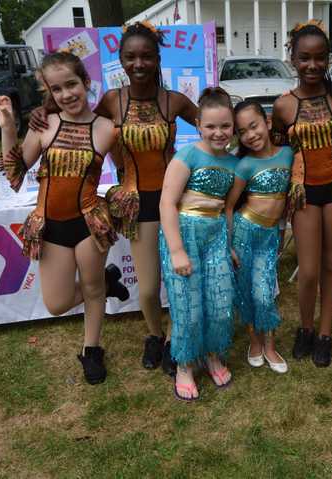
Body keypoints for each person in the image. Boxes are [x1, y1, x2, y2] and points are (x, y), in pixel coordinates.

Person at [30, 21, 199, 375]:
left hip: (176, 202)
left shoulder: (176, 101)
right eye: (130, 57)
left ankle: (174, 341)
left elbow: (217, 127)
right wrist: (44, 110)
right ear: (120, 60)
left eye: (146, 56)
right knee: (150, 290)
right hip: (137, 207)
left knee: (180, 283)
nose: (138, 64)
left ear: (157, 58)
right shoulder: (112, 100)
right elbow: (79, 121)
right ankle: (154, 335)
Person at [0, 51, 120, 384]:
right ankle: (109, 281)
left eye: (72, 85)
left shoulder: (108, 129)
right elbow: (16, 175)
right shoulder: (44, 124)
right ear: (49, 93)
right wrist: (9, 128)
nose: (66, 94)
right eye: (57, 89)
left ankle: (91, 349)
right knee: (57, 303)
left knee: (93, 291)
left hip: (90, 223)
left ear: (86, 83)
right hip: (50, 226)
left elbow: (128, 171)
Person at [271, 20, 332, 367]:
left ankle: (324, 332)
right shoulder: (283, 106)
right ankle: (304, 327)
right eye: (304, 58)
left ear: (328, 59)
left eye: (320, 58)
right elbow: (274, 149)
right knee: (307, 270)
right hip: (304, 193)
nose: (312, 65)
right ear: (292, 58)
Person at [159, 87, 239, 401]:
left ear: (233, 125)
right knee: (188, 307)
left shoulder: (233, 163)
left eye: (225, 126)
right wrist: (177, 249)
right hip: (185, 234)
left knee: (220, 304)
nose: (218, 133)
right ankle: (184, 365)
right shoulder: (188, 155)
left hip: (216, 235)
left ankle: (213, 355)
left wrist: (228, 245)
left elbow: (226, 209)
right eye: (211, 126)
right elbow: (167, 203)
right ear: (197, 124)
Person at [225, 100, 293, 374]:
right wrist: (229, 245)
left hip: (270, 236)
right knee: (248, 293)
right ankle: (254, 341)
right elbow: (229, 206)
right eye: (243, 131)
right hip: (245, 232)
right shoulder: (245, 165)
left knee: (265, 293)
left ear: (266, 121)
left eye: (253, 126)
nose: (251, 135)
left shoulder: (288, 154)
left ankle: (270, 344)